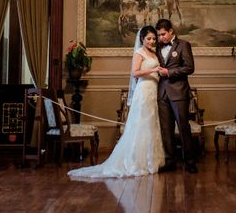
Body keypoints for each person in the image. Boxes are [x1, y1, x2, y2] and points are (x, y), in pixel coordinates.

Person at [68, 25, 165, 178]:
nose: (152, 41)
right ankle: (136, 161)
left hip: (153, 91)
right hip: (144, 91)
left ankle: (150, 161)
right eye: (149, 39)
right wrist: (154, 70)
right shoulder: (139, 53)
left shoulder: (153, 53)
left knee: (151, 124)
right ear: (142, 39)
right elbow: (135, 72)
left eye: (154, 38)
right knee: (141, 124)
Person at [155, 18, 197, 173]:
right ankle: (169, 161)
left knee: (183, 128)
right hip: (162, 93)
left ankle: (190, 162)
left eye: (163, 34)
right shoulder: (157, 47)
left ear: (171, 31)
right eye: (159, 35)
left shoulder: (184, 45)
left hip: (179, 92)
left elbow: (189, 68)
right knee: (166, 129)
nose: (161, 38)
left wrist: (169, 72)